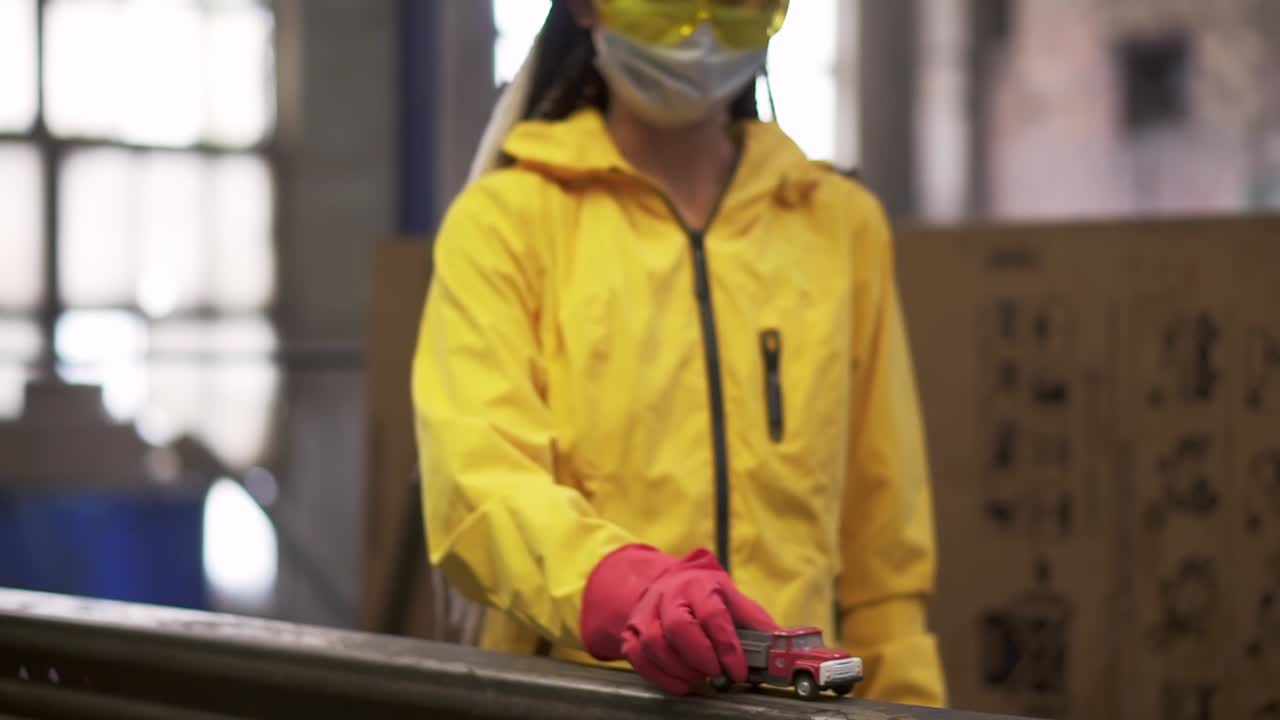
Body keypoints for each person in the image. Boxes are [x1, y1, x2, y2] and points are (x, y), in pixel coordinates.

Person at [412, 0, 946, 706]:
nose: (702, 32)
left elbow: (884, 548)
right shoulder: (505, 225)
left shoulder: (840, 228)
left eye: (739, 4)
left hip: (793, 708)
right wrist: (629, 588)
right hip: (575, 701)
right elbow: (478, 488)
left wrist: (909, 703)